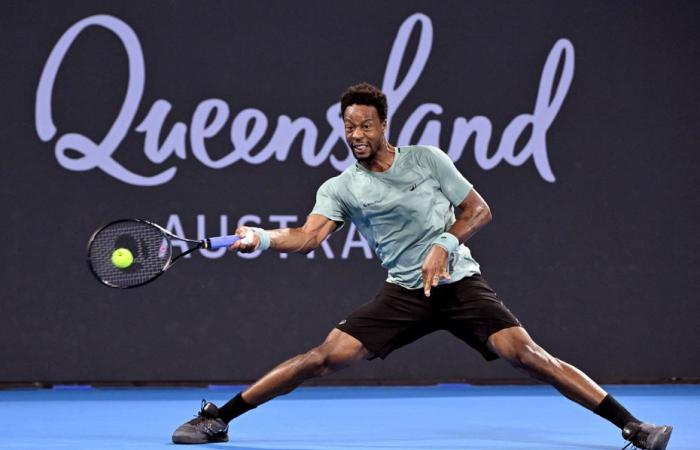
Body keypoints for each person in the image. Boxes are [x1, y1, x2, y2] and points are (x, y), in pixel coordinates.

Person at [172, 83, 672, 450]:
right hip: (405, 293)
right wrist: (260, 237)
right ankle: (219, 417)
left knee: (530, 356)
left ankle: (633, 426)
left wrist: (442, 243)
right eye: (348, 127)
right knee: (323, 357)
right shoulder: (341, 187)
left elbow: (478, 211)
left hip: (458, 282)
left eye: (365, 125)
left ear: (384, 125)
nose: (356, 134)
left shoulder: (427, 160)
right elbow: (308, 237)